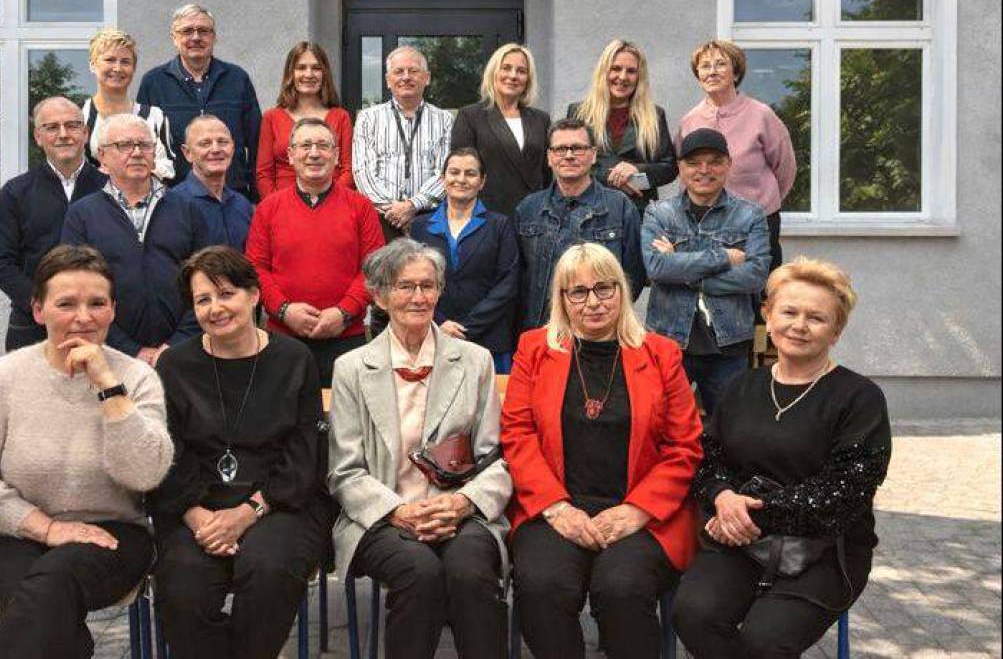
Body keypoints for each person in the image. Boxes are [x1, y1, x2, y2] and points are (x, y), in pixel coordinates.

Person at [0, 244, 174, 659]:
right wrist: (47, 528)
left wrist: (108, 386)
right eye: (66, 304)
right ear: (38, 310)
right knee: (42, 606)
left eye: (97, 303)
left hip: (113, 536)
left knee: (43, 594)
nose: (83, 317)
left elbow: (145, 475)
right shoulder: (0, 378)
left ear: (113, 310)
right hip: (16, 534)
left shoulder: (137, 377)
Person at [672, 257, 892, 659]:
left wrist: (749, 514)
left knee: (765, 641)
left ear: (836, 330)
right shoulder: (741, 387)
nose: (799, 325)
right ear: (768, 316)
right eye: (789, 312)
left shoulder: (860, 398)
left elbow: (843, 494)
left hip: (824, 548)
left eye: (816, 318)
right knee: (693, 615)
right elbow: (709, 459)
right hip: (741, 541)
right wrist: (722, 496)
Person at [500, 242, 703, 659]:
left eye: (604, 288)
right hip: (555, 507)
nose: (593, 302)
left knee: (622, 589)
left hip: (643, 513)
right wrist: (556, 508)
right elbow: (517, 435)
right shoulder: (534, 349)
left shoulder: (661, 353)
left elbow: (684, 446)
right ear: (562, 298)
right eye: (578, 292)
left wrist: (637, 510)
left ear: (621, 291)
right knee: (541, 587)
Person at [328, 238, 513, 659]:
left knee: (470, 572)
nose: (418, 297)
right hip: (382, 515)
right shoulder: (352, 368)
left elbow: (496, 457)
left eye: (427, 286)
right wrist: (398, 511)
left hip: (461, 511)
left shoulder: (475, 360)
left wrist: (462, 504)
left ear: (440, 291)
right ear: (380, 296)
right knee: (420, 573)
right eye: (404, 286)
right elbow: (344, 471)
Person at [149, 246, 330, 658]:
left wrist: (248, 512)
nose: (215, 308)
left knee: (268, 572)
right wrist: (199, 518)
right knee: (183, 590)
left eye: (226, 293)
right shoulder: (174, 366)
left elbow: (305, 454)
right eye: (203, 300)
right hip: (195, 507)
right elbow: (168, 453)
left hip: (280, 504)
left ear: (254, 295)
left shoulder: (294, 358)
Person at [61, 113, 214, 365]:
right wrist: (130, 350)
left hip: (183, 355)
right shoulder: (82, 215)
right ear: (102, 156)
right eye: (124, 145)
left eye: (144, 145)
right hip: (109, 356)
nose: (137, 152)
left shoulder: (187, 209)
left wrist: (176, 345)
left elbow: (208, 280)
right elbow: (74, 288)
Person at [246, 117, 384, 386]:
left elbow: (374, 268)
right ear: (290, 154)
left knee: (345, 412)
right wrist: (284, 310)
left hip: (346, 338)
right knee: (284, 411)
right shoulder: (268, 209)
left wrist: (344, 312)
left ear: (336, 155)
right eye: (305, 145)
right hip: (283, 337)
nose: (314, 153)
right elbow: (255, 268)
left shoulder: (361, 207)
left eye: (323, 145)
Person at [642, 128, 770, 415]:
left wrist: (683, 270)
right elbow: (656, 268)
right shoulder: (659, 213)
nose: (704, 170)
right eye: (693, 163)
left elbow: (756, 275)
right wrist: (723, 257)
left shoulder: (750, 215)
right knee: (662, 423)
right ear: (680, 168)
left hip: (730, 343)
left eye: (714, 162)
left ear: (729, 164)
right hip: (669, 340)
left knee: (729, 426)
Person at [0, 97, 105, 351]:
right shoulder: (15, 192)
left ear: (85, 133)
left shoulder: (109, 188)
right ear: (38, 137)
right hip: (33, 325)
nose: (63, 134)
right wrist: (42, 303)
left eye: (72, 125)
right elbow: (0, 264)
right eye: (52, 127)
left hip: (98, 324)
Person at [678, 39, 796, 276]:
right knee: (713, 287)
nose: (712, 71)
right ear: (698, 75)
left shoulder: (761, 115)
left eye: (720, 64)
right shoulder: (690, 120)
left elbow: (785, 168)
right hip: (706, 221)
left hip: (758, 222)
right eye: (705, 66)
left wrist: (765, 201)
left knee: (761, 288)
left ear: (736, 73)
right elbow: (685, 172)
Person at [515, 118, 645, 331]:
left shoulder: (620, 207)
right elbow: (516, 278)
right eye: (560, 149)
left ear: (593, 155)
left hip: (601, 332)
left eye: (577, 148)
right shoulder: (528, 209)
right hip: (540, 330)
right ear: (549, 157)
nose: (569, 155)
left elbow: (633, 277)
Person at [410, 148, 520, 373]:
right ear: (442, 179)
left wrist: (465, 328)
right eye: (454, 172)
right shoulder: (420, 227)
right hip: (434, 337)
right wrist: (439, 323)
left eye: (470, 173)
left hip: (490, 340)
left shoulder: (500, 226)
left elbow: (508, 283)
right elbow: (413, 282)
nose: (461, 179)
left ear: (482, 182)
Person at [137, 3, 261, 196]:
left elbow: (256, 143)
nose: (195, 37)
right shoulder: (154, 82)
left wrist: (255, 196)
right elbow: (144, 143)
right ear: (174, 38)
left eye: (203, 31)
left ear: (214, 37)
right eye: (187, 31)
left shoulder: (237, 79)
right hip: (173, 198)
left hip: (232, 196)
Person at [352, 45, 454, 241]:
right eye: (398, 71)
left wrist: (412, 206)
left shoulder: (445, 120)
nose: (406, 77)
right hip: (381, 220)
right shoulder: (368, 118)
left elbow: (445, 172)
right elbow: (363, 172)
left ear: (427, 78)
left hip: (429, 219)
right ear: (388, 80)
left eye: (413, 71)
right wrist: (396, 211)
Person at [567, 39, 677, 216]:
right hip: (589, 211)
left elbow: (669, 168)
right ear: (604, 71)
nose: (623, 77)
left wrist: (637, 171)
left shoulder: (655, 115)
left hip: (638, 213)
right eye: (616, 68)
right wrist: (614, 177)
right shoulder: (578, 113)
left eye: (631, 71)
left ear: (639, 76)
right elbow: (571, 161)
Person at [450, 43, 551, 216]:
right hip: (487, 217)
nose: (513, 76)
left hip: (534, 216)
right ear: (493, 72)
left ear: (528, 79)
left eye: (521, 71)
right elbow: (463, 173)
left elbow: (547, 173)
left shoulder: (541, 119)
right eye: (506, 68)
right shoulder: (470, 116)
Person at [256, 41, 353, 198]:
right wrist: (277, 206)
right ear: (290, 74)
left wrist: (328, 202)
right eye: (301, 68)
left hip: (334, 203)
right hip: (282, 205)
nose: (309, 74)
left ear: (324, 73)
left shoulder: (341, 117)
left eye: (316, 68)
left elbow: (348, 170)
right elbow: (264, 174)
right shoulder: (271, 118)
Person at [81, 28, 177, 183]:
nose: (117, 68)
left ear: (134, 68)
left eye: (125, 62)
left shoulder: (154, 116)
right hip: (92, 197)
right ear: (93, 65)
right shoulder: (79, 116)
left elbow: (168, 169)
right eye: (110, 60)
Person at [170, 114, 254, 250]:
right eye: (205, 143)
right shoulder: (173, 205)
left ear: (233, 148)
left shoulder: (243, 206)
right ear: (187, 153)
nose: (215, 149)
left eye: (223, 142)